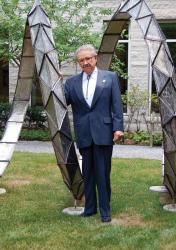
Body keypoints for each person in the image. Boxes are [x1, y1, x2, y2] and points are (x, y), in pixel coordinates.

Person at [64, 44, 124, 223]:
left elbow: (116, 105)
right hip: (84, 133)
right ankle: (90, 208)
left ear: (95, 58)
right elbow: (62, 102)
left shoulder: (110, 77)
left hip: (104, 133)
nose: (85, 62)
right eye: (81, 60)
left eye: (88, 58)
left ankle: (105, 211)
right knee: (88, 173)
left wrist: (118, 127)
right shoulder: (71, 82)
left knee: (103, 173)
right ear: (78, 63)